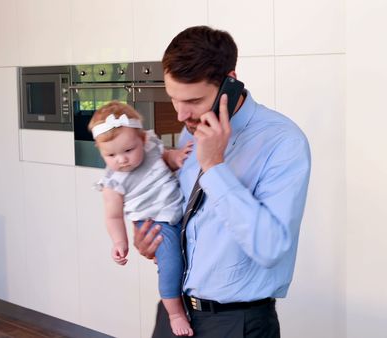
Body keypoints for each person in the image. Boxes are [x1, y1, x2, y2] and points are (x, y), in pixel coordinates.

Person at [133, 26, 312, 338]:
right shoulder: (193, 127)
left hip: (236, 323)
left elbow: (271, 249)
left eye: (193, 100)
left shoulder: (283, 141)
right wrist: (155, 241)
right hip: (176, 313)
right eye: (173, 98)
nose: (180, 114)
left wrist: (214, 166)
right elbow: (188, 216)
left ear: (230, 81)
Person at [89, 101, 194, 337]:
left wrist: (176, 157)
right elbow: (113, 216)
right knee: (171, 264)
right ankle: (175, 313)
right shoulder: (113, 182)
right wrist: (119, 242)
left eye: (128, 150)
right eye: (111, 154)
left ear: (143, 140)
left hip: (178, 211)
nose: (121, 159)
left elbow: (165, 156)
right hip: (155, 223)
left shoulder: (151, 148)